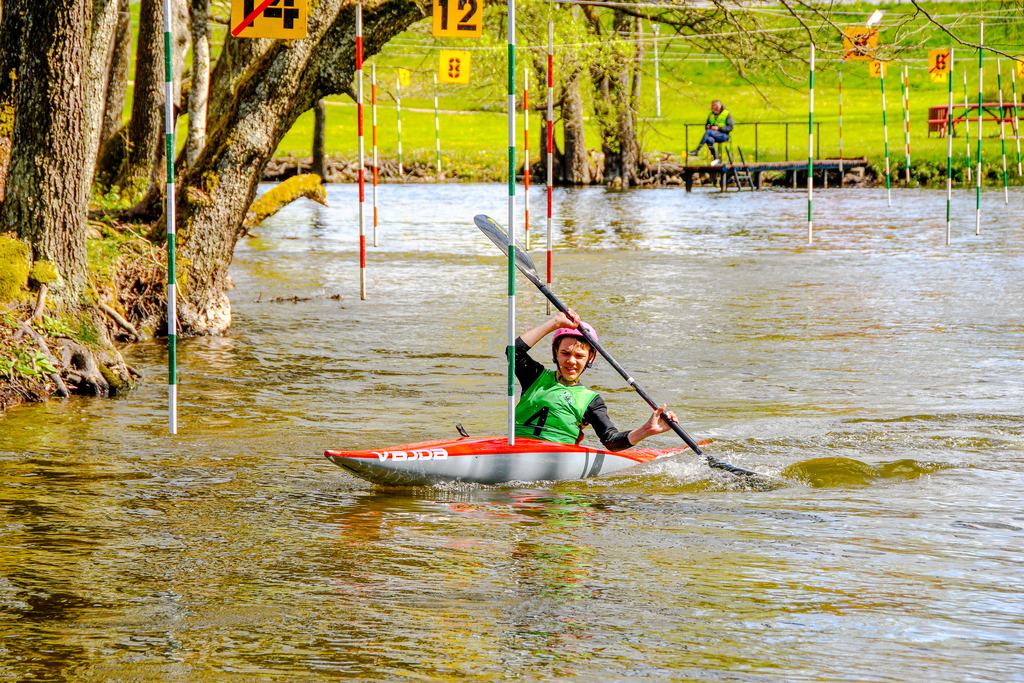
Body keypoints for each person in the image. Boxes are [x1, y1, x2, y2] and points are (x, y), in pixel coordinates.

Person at [514, 309, 677, 451]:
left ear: (590, 358)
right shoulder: (535, 377)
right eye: (565, 353)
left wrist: (646, 430)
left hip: (556, 456)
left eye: (579, 356)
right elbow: (514, 351)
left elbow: (611, 441)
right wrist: (555, 323)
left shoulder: (591, 401)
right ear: (555, 353)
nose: (571, 361)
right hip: (516, 450)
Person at [688, 99, 734, 166]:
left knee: (709, 132)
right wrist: (708, 126)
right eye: (712, 106)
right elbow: (706, 125)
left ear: (719, 106)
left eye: (714, 106)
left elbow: (730, 127)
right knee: (709, 139)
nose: (712, 108)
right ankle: (716, 159)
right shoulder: (711, 115)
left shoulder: (727, 114)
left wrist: (718, 128)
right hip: (713, 135)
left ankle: (697, 150)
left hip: (724, 135)